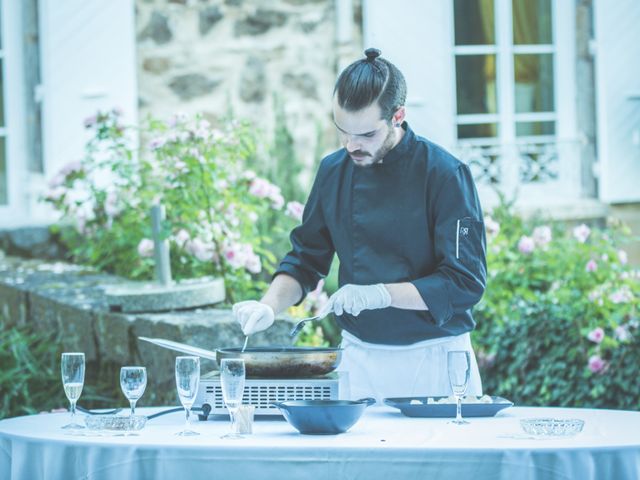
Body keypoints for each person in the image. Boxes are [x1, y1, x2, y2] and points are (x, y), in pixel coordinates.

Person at [233, 48, 486, 403]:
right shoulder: (333, 171)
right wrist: (269, 306)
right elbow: (306, 260)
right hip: (360, 361)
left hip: (437, 361)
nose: (352, 146)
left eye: (366, 135)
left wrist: (381, 294)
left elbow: (465, 283)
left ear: (398, 116)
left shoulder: (445, 175)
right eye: (343, 131)